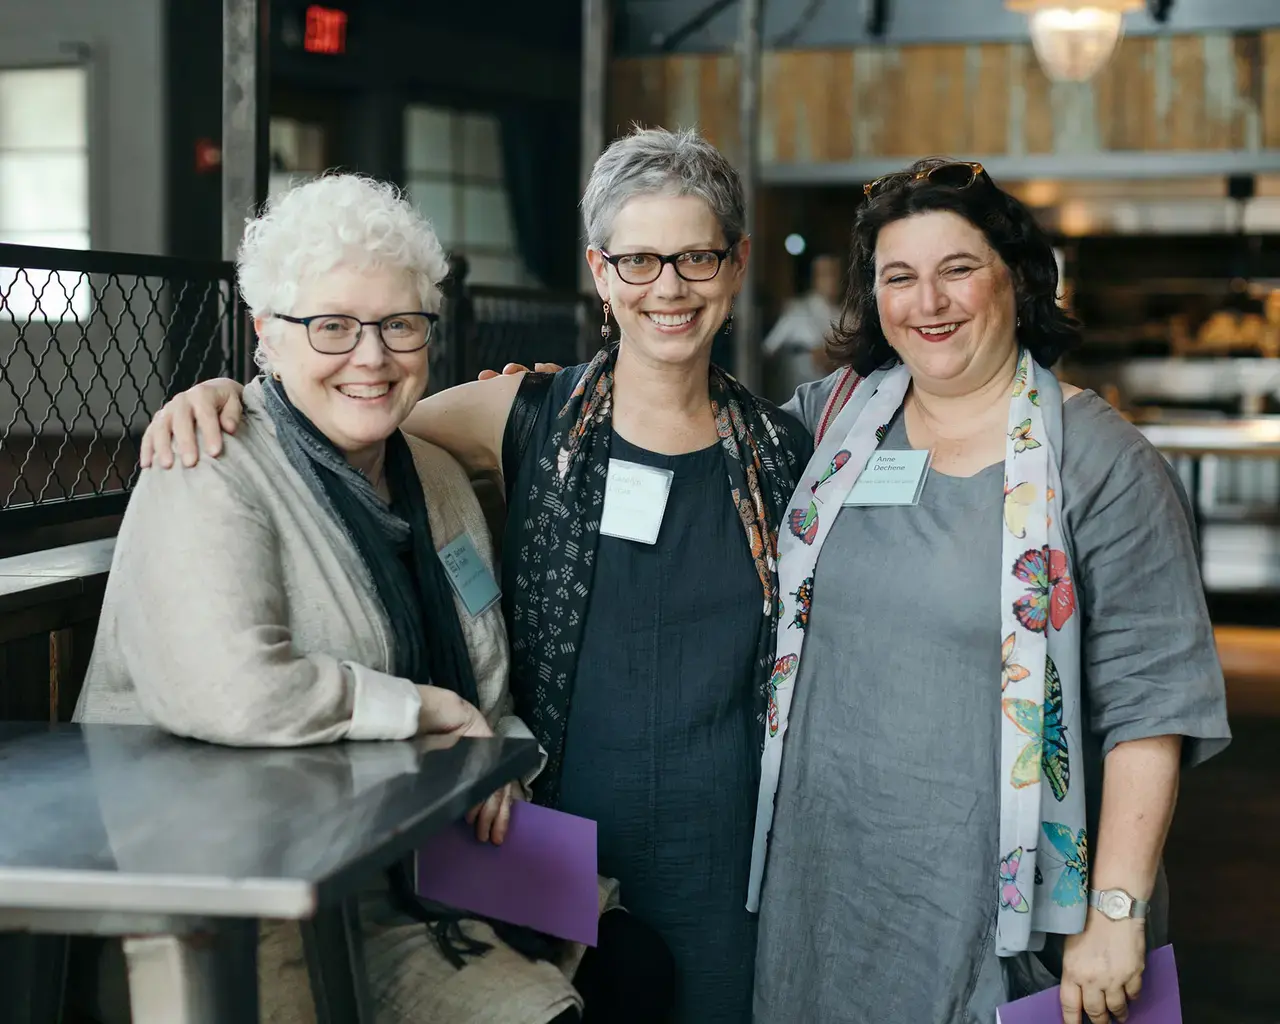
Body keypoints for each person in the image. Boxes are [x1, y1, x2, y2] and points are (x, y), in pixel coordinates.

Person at [136, 128, 812, 1024]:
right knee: (611, 985)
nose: (669, 287)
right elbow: (343, 413)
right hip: (474, 835)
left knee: (664, 984)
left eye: (694, 257)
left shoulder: (781, 450)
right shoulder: (516, 417)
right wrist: (227, 397)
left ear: (735, 265)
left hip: (676, 833)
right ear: (601, 273)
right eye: (640, 260)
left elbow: (384, 430)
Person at [74, 173, 670, 1024]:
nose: (371, 356)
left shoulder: (431, 474)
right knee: (547, 1014)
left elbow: (487, 682)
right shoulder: (210, 465)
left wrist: (495, 763)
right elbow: (230, 687)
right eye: (331, 326)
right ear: (265, 337)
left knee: (638, 962)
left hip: (432, 836)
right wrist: (425, 710)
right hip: (257, 877)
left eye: (399, 324)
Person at [749, 159, 1231, 1024]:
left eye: (957, 269)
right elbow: (700, 447)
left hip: (997, 915)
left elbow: (1151, 703)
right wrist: (533, 404)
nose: (927, 302)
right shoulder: (828, 423)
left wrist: (1115, 910)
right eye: (899, 277)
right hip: (829, 894)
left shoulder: (1101, 463)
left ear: (1017, 279)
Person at [761, 252, 841, 403]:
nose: (831, 280)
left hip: (834, 401)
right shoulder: (796, 311)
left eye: (834, 273)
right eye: (825, 274)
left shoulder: (847, 316)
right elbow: (768, 350)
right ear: (814, 277)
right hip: (797, 398)